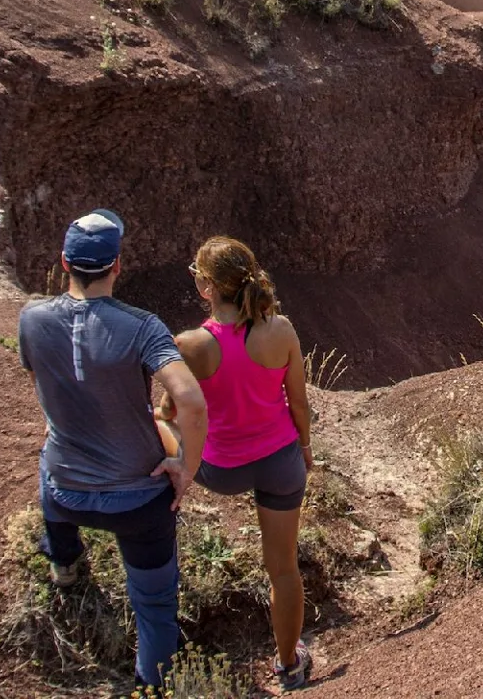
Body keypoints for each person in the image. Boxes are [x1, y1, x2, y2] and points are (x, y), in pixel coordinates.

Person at [19, 209, 207, 693]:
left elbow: (43, 378)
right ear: (117, 265)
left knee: (49, 457)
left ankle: (64, 560)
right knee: (154, 605)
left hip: (67, 492)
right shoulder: (142, 327)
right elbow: (188, 398)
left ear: (64, 262)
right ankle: (153, 687)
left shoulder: (32, 319)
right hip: (138, 500)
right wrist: (187, 466)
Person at [156, 236, 315, 691]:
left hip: (220, 471)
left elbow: (172, 410)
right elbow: (298, 402)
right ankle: (289, 663)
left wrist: (179, 447)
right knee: (283, 568)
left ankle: (162, 479)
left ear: (207, 288)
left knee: (154, 423)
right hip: (280, 462)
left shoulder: (189, 344)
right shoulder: (281, 330)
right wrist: (304, 447)